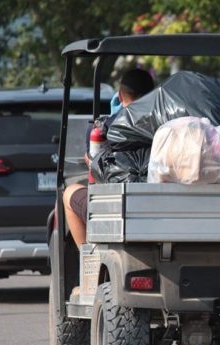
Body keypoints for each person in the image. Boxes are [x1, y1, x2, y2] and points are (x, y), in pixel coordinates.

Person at [62, 68, 155, 250]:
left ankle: (88, 258)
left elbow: (96, 168)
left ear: (119, 97)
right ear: (152, 95)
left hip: (114, 210)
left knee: (68, 193)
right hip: (160, 205)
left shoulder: (103, 128)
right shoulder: (165, 124)